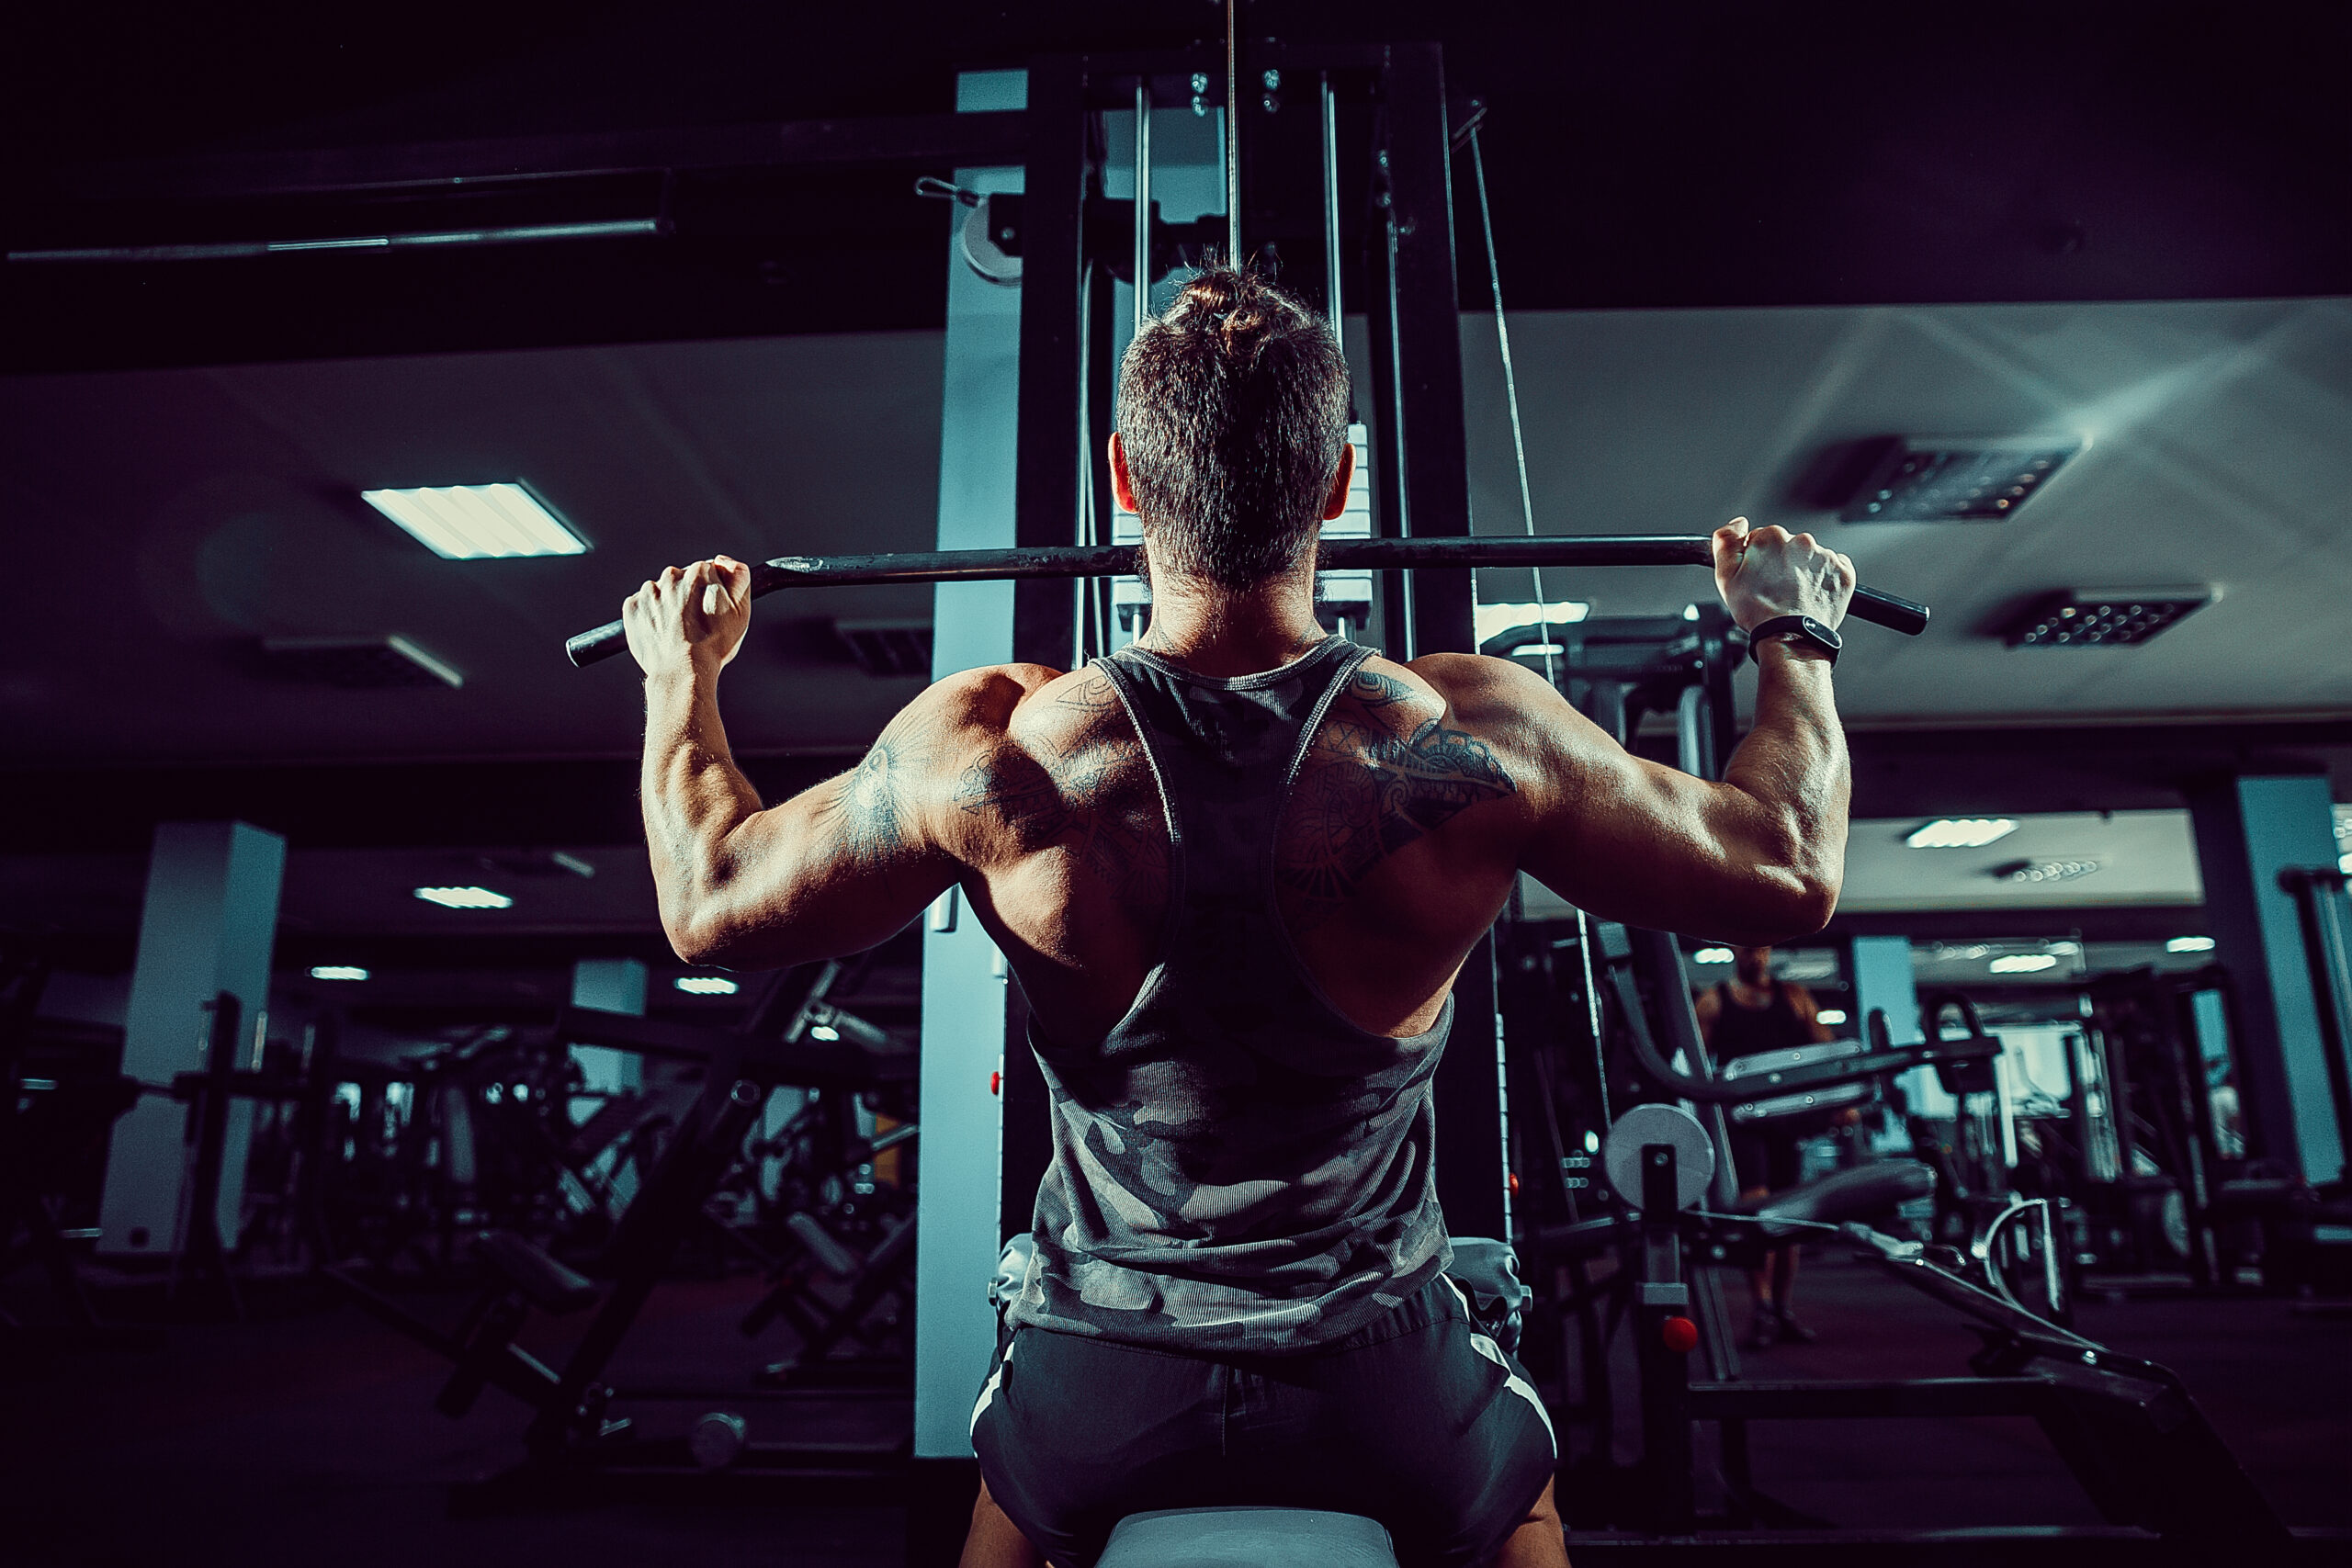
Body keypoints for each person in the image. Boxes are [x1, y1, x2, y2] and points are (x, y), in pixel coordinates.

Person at [620, 268, 1855, 1568]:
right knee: (1521, 1504)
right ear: (1340, 483)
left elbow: (708, 899)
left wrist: (678, 678)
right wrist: (1792, 632)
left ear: (1124, 479)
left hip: (1101, 1378)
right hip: (1382, 1383)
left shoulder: (999, 754)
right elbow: (1786, 863)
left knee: (1008, 1504)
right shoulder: (1468, 737)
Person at [1695, 944, 1835, 1348]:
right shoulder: (1714, 1000)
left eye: (1760, 948)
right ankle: (1762, 1306)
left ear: (1769, 951)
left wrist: (1840, 1101)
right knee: (1757, 1209)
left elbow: (1823, 1050)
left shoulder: (1794, 997)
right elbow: (1695, 1063)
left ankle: (1782, 1308)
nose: (1754, 956)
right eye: (1746, 948)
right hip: (1741, 1123)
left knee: (1790, 1216)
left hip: (1788, 1120)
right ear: (1734, 952)